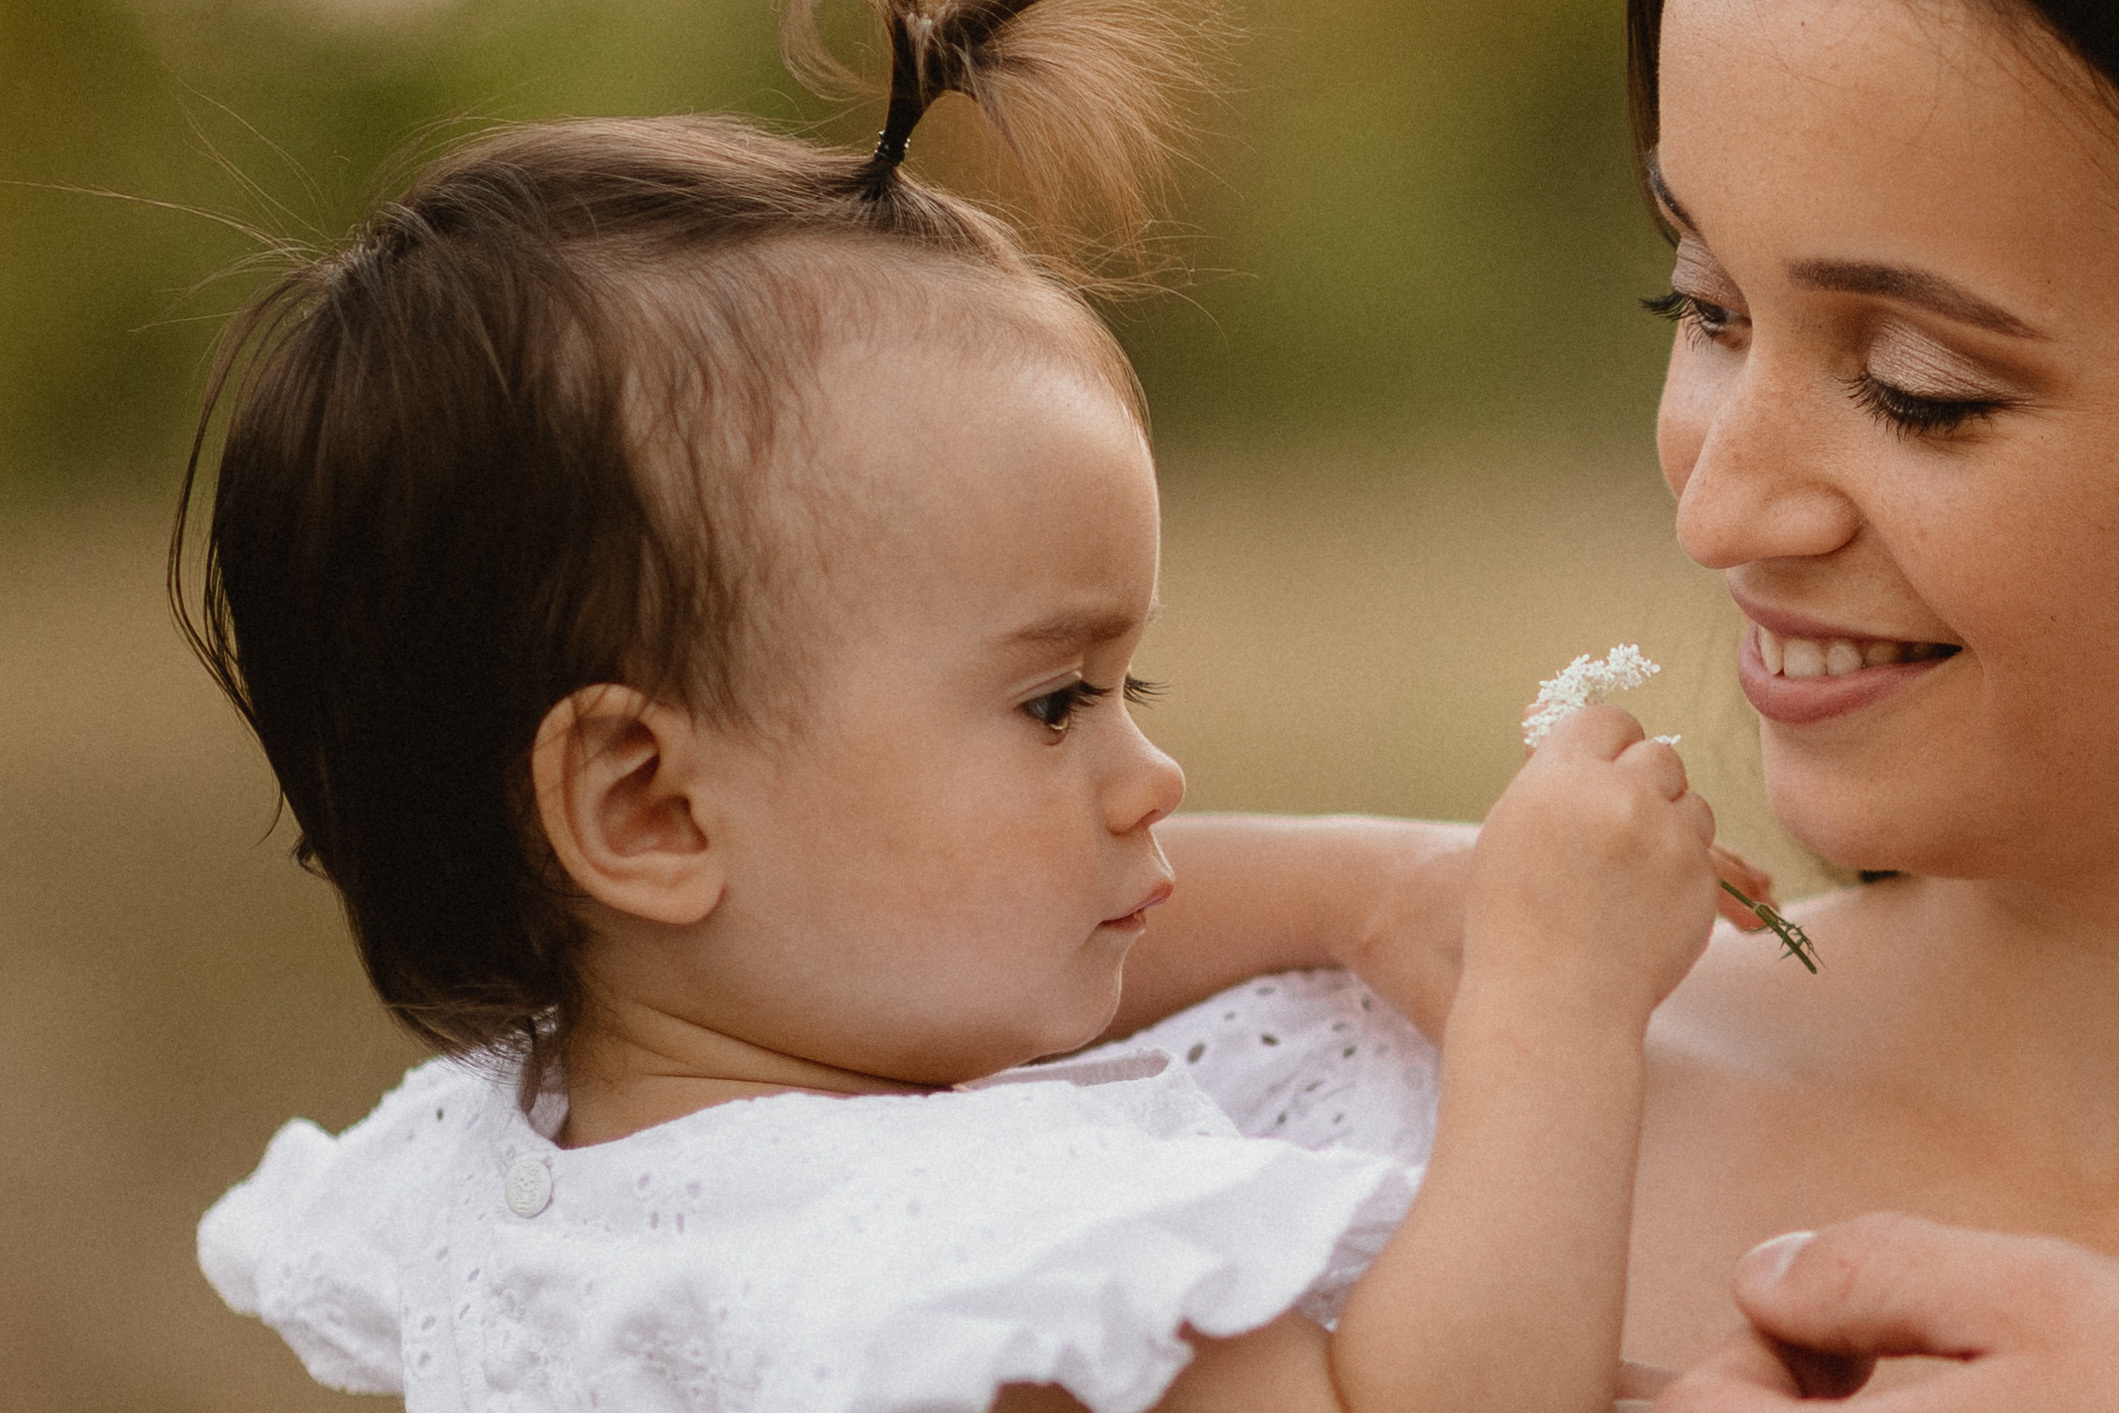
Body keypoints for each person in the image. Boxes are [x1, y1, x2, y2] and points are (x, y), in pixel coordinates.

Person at [187, 2, 1724, 1409]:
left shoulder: (534, 1155)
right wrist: (1554, 1003)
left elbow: (1001, 909)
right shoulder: (987, 1274)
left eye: (1132, 686)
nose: (1154, 776)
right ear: (644, 802)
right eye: (1056, 701)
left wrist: (1364, 889)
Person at [1124, 0, 2119, 1403]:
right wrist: (1339, 884)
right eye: (1706, 307)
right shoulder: (1381, 1146)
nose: (1717, 512)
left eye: (1922, 391)